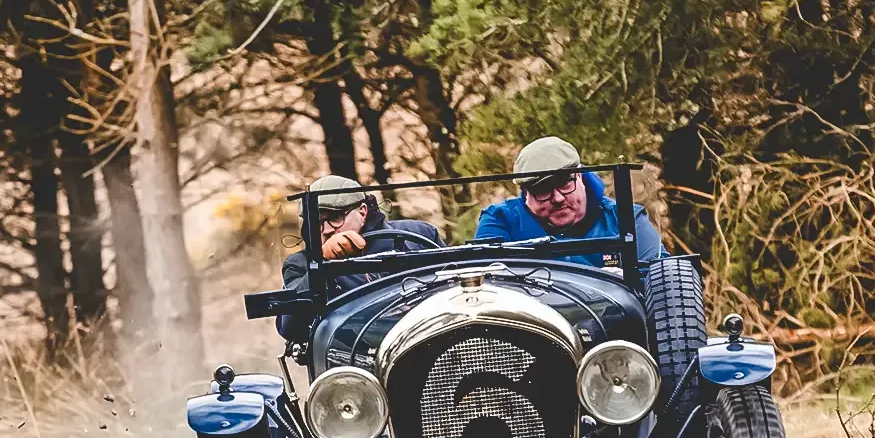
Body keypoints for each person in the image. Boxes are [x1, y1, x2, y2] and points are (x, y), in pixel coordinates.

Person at [279, 174, 443, 339]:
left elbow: (453, 286)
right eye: (316, 222)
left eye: (335, 217)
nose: (326, 230)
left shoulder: (419, 235)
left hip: (429, 334)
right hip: (354, 349)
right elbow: (289, 327)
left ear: (362, 212)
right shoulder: (300, 264)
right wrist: (322, 264)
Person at [473, 136, 662, 268]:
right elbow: (486, 286)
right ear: (525, 193)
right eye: (543, 190)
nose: (558, 198)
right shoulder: (500, 221)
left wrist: (625, 282)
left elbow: (663, 283)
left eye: (564, 183)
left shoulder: (626, 220)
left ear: (580, 176)